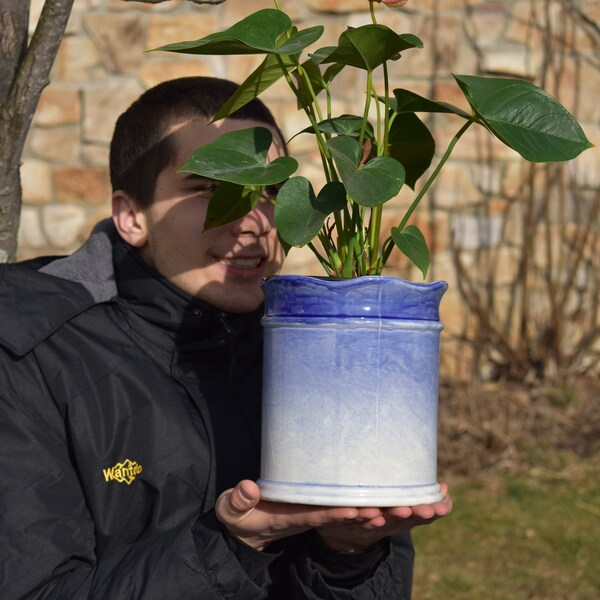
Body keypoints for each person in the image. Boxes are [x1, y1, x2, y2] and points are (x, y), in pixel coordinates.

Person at [0, 76, 451, 599]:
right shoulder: (29, 352)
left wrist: (348, 553)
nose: (255, 220)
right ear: (130, 216)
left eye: (274, 191)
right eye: (212, 189)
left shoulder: (321, 351)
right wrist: (232, 544)